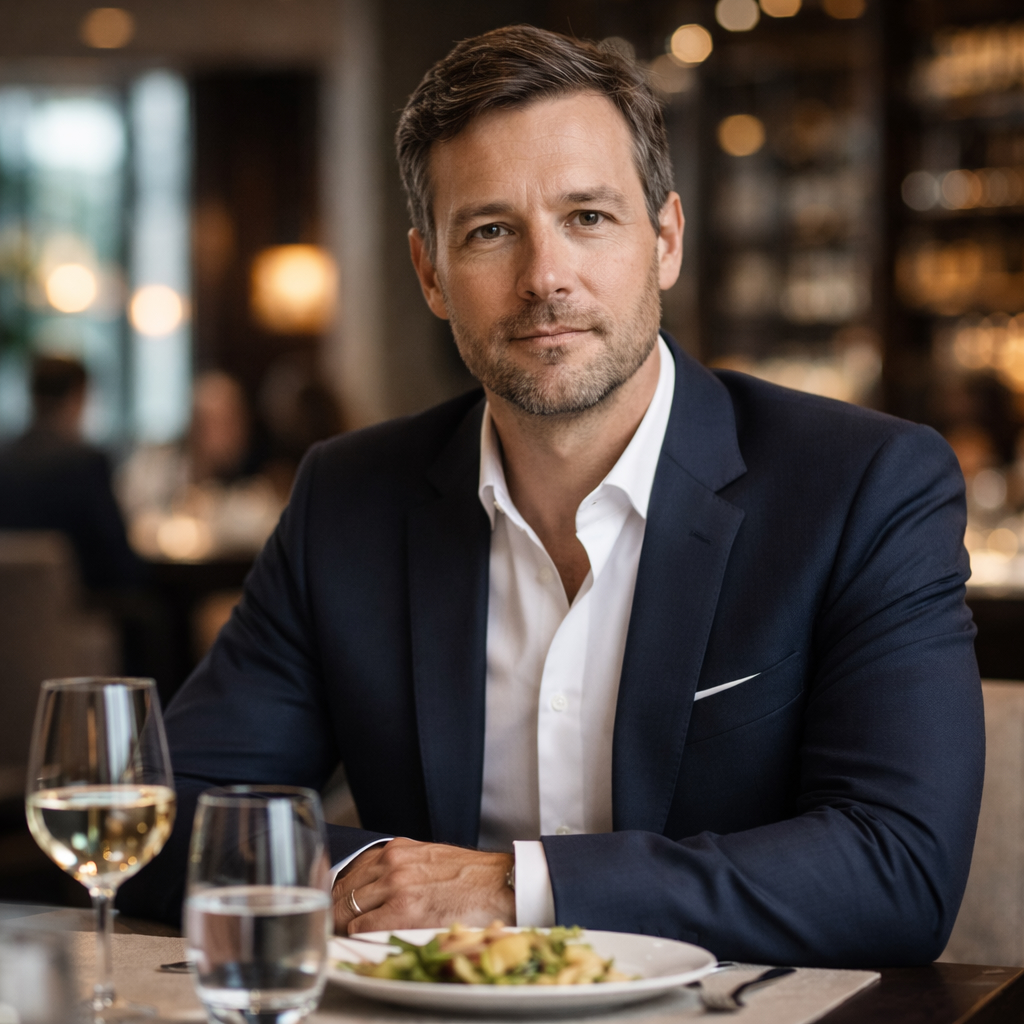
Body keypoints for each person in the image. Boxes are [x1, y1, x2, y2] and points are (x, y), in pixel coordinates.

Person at [120, 26, 984, 967]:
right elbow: (162, 819)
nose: (544, 278)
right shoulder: (348, 501)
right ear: (430, 274)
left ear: (665, 240)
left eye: (589, 217)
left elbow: (897, 873)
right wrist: (367, 878)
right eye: (490, 231)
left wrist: (511, 888)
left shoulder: (865, 486)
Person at [0, 354, 142, 591]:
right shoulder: (85, 463)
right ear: (78, 396)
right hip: (80, 605)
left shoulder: (4, 459)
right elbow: (117, 559)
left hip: (8, 607)